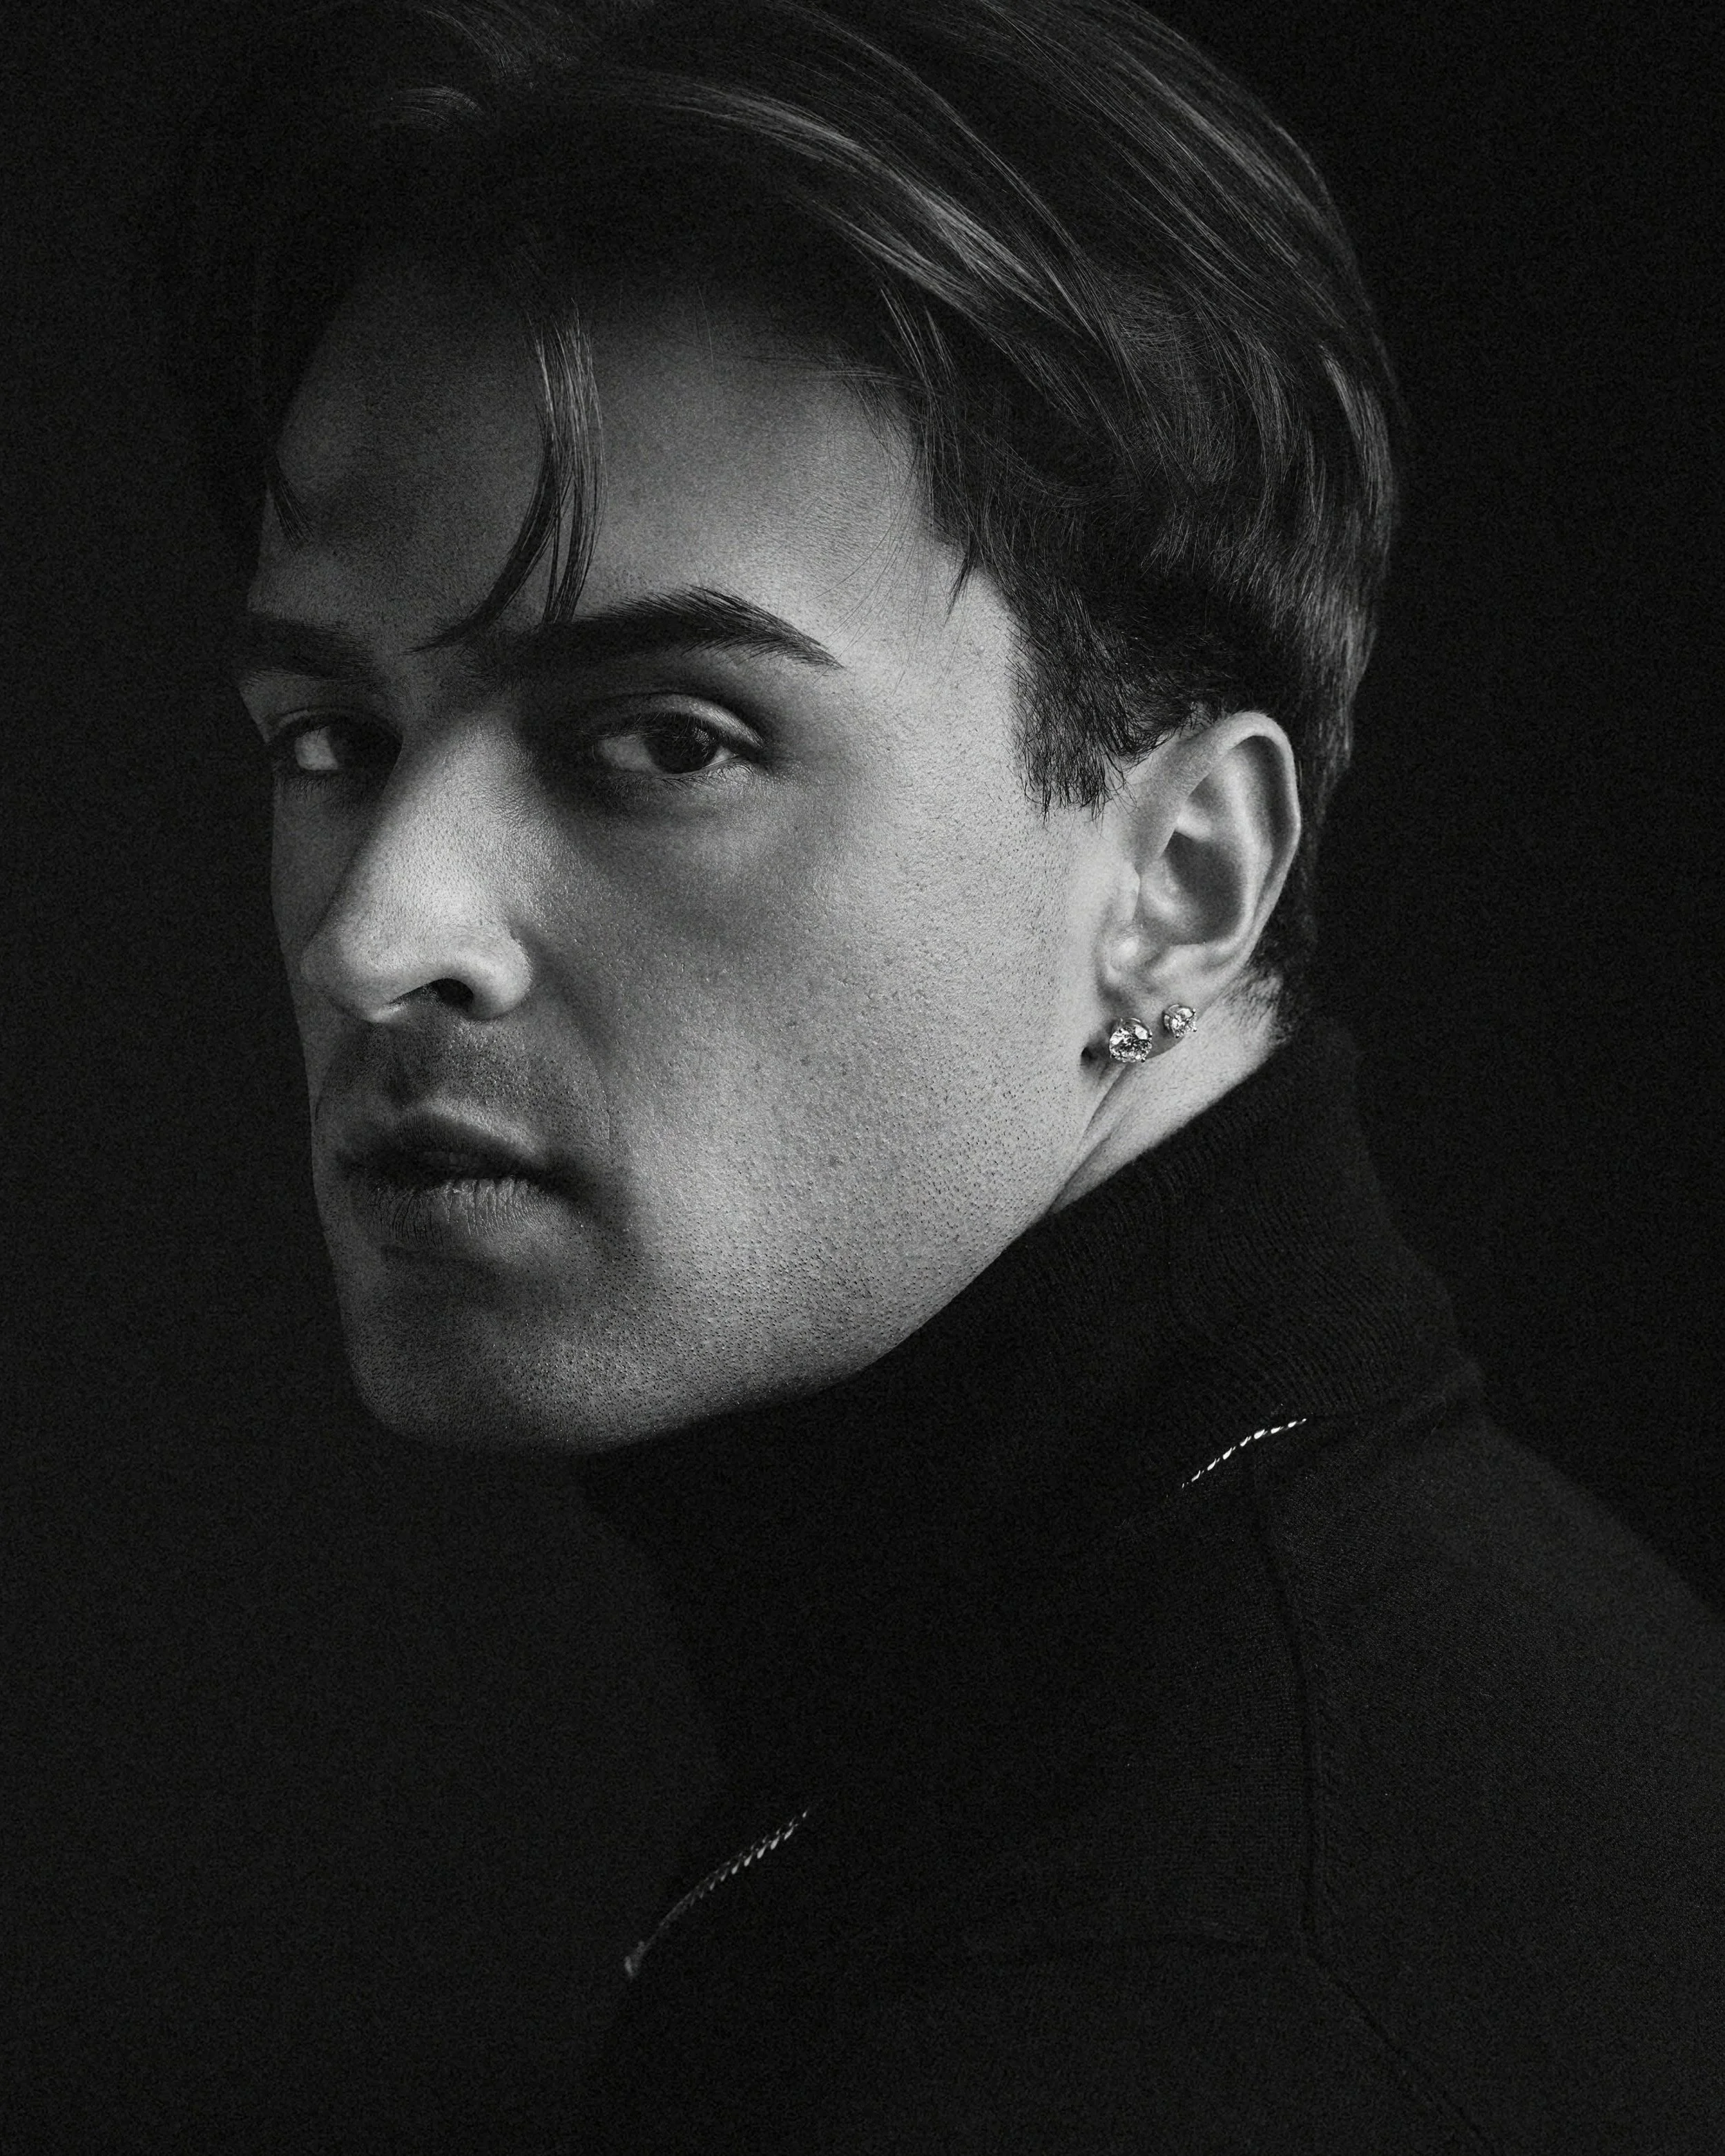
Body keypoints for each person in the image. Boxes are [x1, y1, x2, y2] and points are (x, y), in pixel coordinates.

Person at [154, 0, 1725, 2146]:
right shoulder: (1257, 1690)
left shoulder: (1129, 2011)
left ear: (1179, 876)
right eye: (326, 739)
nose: (375, 928)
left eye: (668, 741)